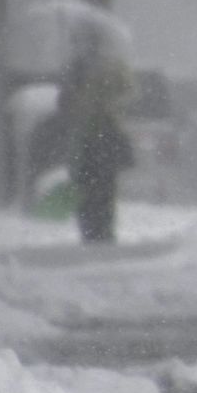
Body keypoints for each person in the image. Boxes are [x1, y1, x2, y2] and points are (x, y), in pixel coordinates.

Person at [58, 37, 135, 245]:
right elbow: (128, 93)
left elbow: (65, 104)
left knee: (92, 185)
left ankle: (94, 228)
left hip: (92, 137)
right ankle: (99, 227)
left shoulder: (83, 70)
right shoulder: (108, 69)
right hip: (98, 137)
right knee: (101, 185)